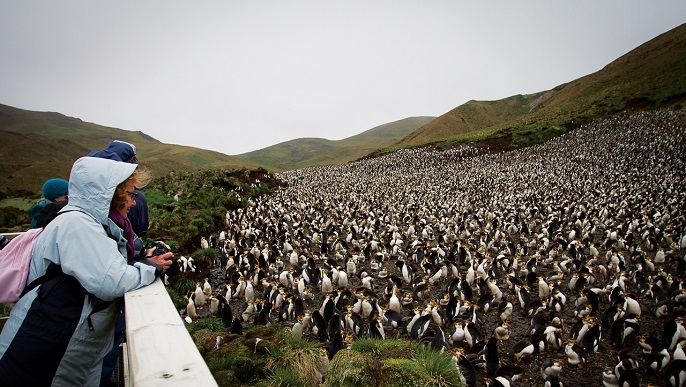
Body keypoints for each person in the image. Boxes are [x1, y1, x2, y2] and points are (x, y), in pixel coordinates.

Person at [0, 156, 173, 386]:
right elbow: (112, 280)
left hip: (69, 339)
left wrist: (143, 258)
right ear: (111, 195)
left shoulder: (98, 225)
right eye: (130, 195)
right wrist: (151, 267)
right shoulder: (78, 225)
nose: (134, 203)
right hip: (49, 342)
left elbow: (104, 266)